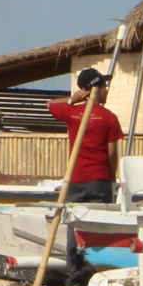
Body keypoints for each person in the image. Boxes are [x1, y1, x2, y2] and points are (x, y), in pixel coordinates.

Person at [49, 69, 124, 205]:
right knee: (99, 218)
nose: (107, 90)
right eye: (104, 86)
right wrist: (112, 178)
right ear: (97, 89)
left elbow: (50, 104)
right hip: (100, 180)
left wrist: (73, 100)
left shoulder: (72, 112)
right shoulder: (109, 117)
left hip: (75, 180)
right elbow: (111, 153)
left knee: (74, 217)